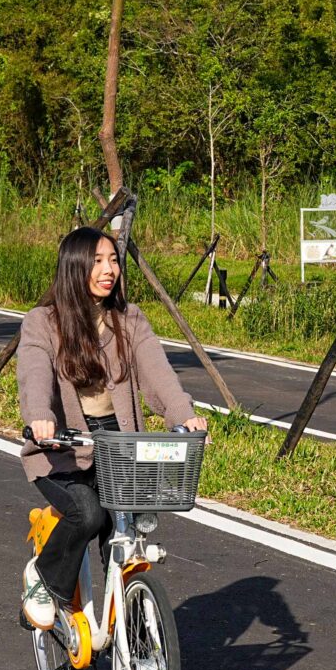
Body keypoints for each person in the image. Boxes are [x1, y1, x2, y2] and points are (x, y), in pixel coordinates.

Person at [18, 226, 206, 628]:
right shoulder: (42, 323)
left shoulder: (129, 320)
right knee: (88, 514)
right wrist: (40, 416)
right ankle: (43, 578)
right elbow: (34, 372)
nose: (109, 270)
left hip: (118, 444)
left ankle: (132, 638)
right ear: (75, 267)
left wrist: (182, 413)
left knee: (127, 529)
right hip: (62, 448)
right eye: (98, 261)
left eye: (114, 260)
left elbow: (158, 373)